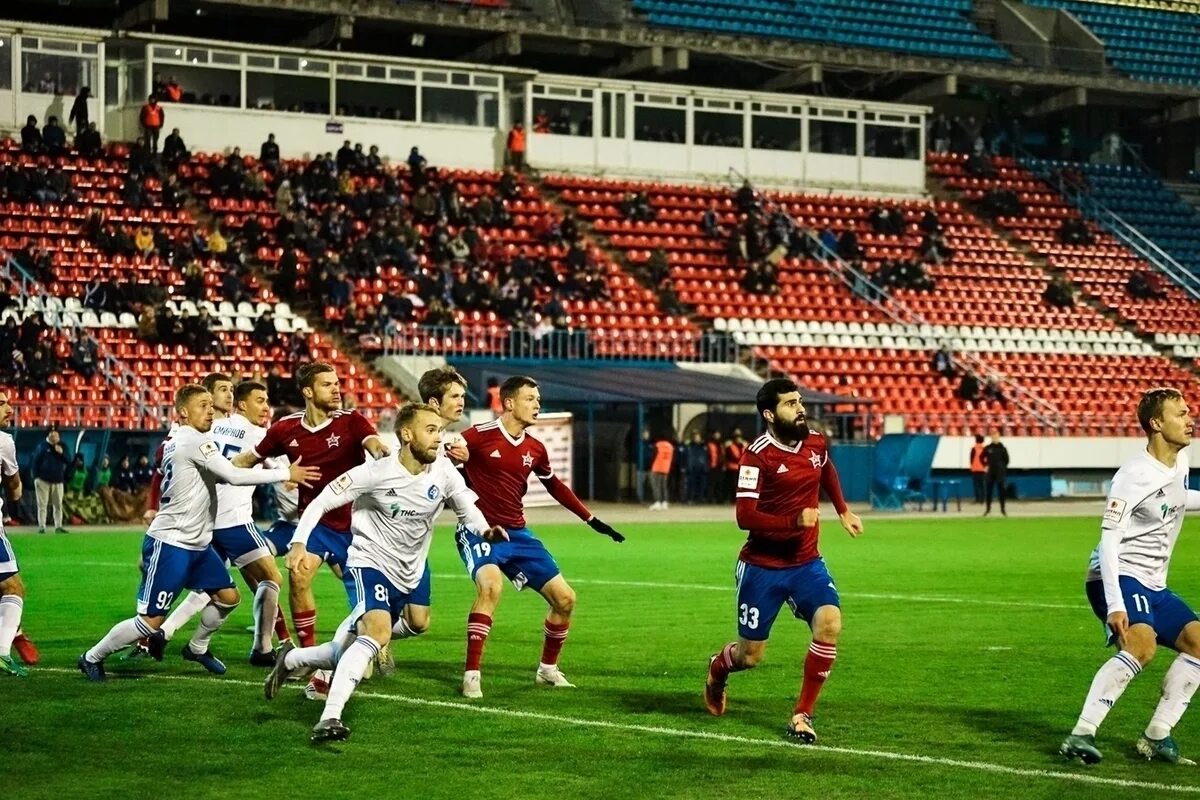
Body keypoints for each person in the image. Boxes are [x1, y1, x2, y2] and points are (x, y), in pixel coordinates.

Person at [263, 403, 505, 743]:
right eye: (431, 430)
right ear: (407, 435)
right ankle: (330, 716)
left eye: (441, 430)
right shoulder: (374, 472)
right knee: (376, 634)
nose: (440, 438)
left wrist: (485, 532)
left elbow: (469, 509)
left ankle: (292, 659)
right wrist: (299, 543)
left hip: (412, 566)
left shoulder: (444, 471)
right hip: (370, 562)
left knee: (410, 626)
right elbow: (320, 501)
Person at [78, 384, 319, 681]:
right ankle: (92, 656)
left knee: (229, 597)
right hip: (172, 542)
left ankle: (198, 646)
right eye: (203, 406)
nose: (210, 411)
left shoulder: (184, 439)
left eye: (210, 405)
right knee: (150, 622)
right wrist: (286, 473)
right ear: (183, 412)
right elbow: (232, 474)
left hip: (199, 543)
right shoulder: (193, 441)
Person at [704, 378, 864, 743]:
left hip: (806, 561)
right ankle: (718, 669)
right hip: (762, 567)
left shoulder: (816, 442)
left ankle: (801, 715)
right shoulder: (756, 455)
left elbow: (825, 469)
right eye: (791, 403)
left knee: (830, 623)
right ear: (769, 414)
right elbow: (745, 516)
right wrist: (793, 521)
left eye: (800, 400)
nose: (800, 408)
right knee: (750, 656)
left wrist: (842, 510)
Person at [456, 376, 626, 699]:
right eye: (530, 398)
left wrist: (591, 519)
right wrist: (457, 463)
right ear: (509, 403)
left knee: (565, 599)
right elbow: (444, 467)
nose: (537, 404)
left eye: (538, 398)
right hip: (480, 530)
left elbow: (556, 487)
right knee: (491, 588)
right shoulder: (477, 437)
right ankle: (471, 676)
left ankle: (547, 670)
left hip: (517, 534)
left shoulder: (535, 448)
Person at [1061, 387, 1200, 765]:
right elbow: (1109, 540)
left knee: (1199, 644)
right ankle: (1081, 734)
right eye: (1181, 413)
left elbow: (1176, 497)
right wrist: (1116, 604)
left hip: (1154, 583)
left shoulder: (1180, 465)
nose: (1190, 419)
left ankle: (1156, 736)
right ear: (1156, 423)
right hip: (1117, 574)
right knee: (1142, 646)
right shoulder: (1132, 475)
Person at [233, 363, 388, 655]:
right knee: (298, 576)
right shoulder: (285, 429)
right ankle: (307, 654)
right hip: (315, 524)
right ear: (308, 391)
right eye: (327, 384)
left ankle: (370, 640)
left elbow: (374, 444)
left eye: (336, 383)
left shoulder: (351, 421)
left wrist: (383, 453)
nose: (336, 388)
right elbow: (245, 461)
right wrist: (211, 467)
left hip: (356, 525)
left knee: (375, 596)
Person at [145, 381, 291, 668]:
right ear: (241, 405)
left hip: (207, 520)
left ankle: (166, 632)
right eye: (259, 401)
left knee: (213, 587)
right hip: (233, 519)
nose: (266, 407)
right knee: (271, 578)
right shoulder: (259, 434)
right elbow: (257, 464)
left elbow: (164, 453)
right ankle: (264, 647)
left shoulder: (210, 427)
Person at [0, 390, 30, 676]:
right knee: (13, 587)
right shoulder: (4, 441)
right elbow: (14, 486)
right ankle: (2, 651)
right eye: (1, 404)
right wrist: (14, 494)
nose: (9, 408)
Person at [33, 428, 70, 534]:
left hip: (58, 480)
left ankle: (58, 526)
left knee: (58, 505)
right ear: (48, 436)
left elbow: (69, 460)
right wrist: (36, 477)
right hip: (43, 480)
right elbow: (35, 462)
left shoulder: (62, 446)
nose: (54, 438)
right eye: (52, 435)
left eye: (56, 436)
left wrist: (62, 453)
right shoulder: (42, 446)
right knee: (42, 505)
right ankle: (42, 527)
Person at [982, 431, 1009, 516]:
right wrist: (985, 465)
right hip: (990, 473)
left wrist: (1002, 468)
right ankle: (988, 509)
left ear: (999, 437)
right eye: (993, 437)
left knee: (1001, 492)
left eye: (996, 437)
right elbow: (981, 457)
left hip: (1000, 473)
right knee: (989, 492)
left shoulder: (1002, 448)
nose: (995, 438)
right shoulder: (988, 448)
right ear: (991, 438)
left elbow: (1007, 460)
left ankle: (1003, 509)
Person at [648, 431, 674, 511]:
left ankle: (657, 502)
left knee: (656, 486)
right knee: (664, 486)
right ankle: (665, 502)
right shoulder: (670, 446)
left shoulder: (658, 445)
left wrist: (650, 465)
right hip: (666, 468)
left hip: (656, 467)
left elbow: (653, 456)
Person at [969, 434, 986, 505]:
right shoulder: (985, 449)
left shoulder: (974, 448)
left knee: (976, 485)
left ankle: (977, 499)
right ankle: (982, 500)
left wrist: (972, 466)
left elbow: (971, 459)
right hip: (982, 469)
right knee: (982, 485)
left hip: (975, 469)